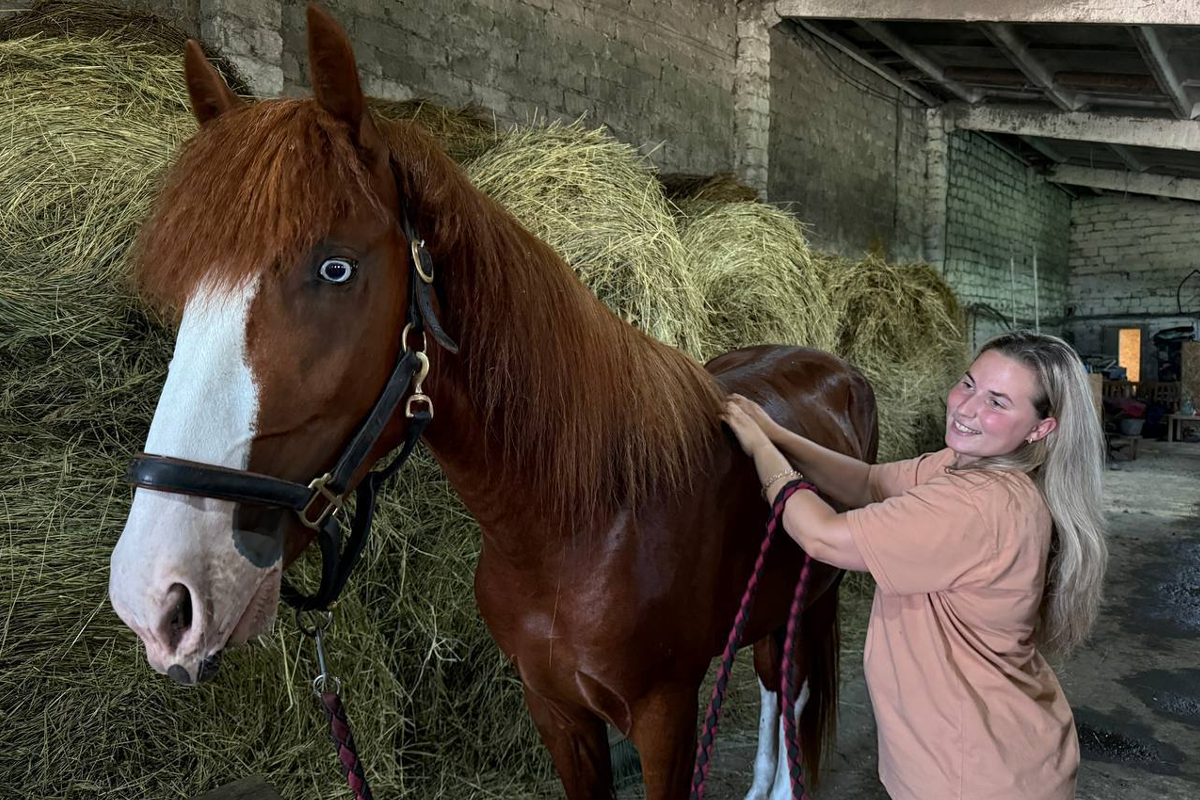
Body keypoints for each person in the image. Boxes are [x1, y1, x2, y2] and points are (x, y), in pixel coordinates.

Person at [721, 330, 1107, 800]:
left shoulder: (975, 506)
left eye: (998, 402)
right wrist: (778, 433)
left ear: (1040, 429)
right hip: (987, 751)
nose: (966, 408)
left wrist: (763, 453)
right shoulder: (965, 465)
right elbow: (866, 482)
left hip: (972, 773)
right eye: (968, 384)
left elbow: (822, 537)